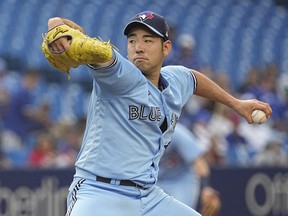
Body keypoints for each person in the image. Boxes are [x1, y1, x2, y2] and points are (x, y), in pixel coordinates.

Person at [44, 11, 272, 216]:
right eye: (132, 40)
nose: (138, 47)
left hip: (147, 197)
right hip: (99, 193)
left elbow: (193, 79)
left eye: (148, 40)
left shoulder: (175, 80)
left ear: (166, 48)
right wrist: (58, 27)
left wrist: (236, 104)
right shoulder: (120, 75)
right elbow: (101, 55)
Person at [157, 123, 221, 215]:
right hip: (155, 180)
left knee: (181, 213)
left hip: (180, 180)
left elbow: (199, 162)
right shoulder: (139, 134)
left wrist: (206, 187)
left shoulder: (176, 132)